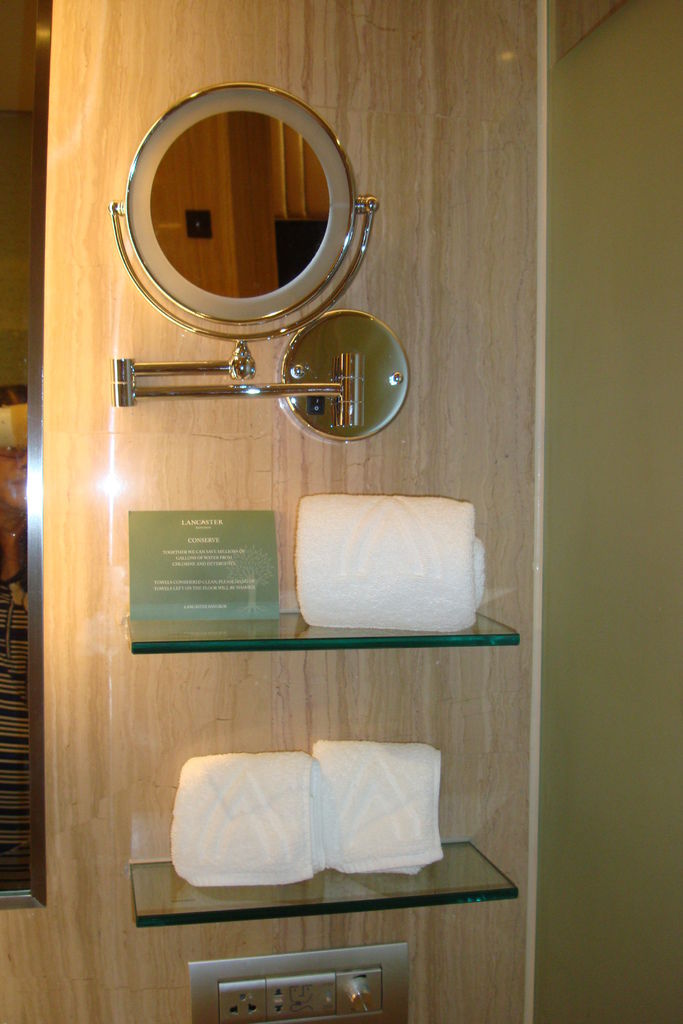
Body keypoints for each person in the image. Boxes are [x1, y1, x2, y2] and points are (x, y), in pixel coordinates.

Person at [0, 385, 30, 888]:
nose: (24, 460)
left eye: (34, 444)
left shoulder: (64, 562)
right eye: (10, 447)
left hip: (37, 823)